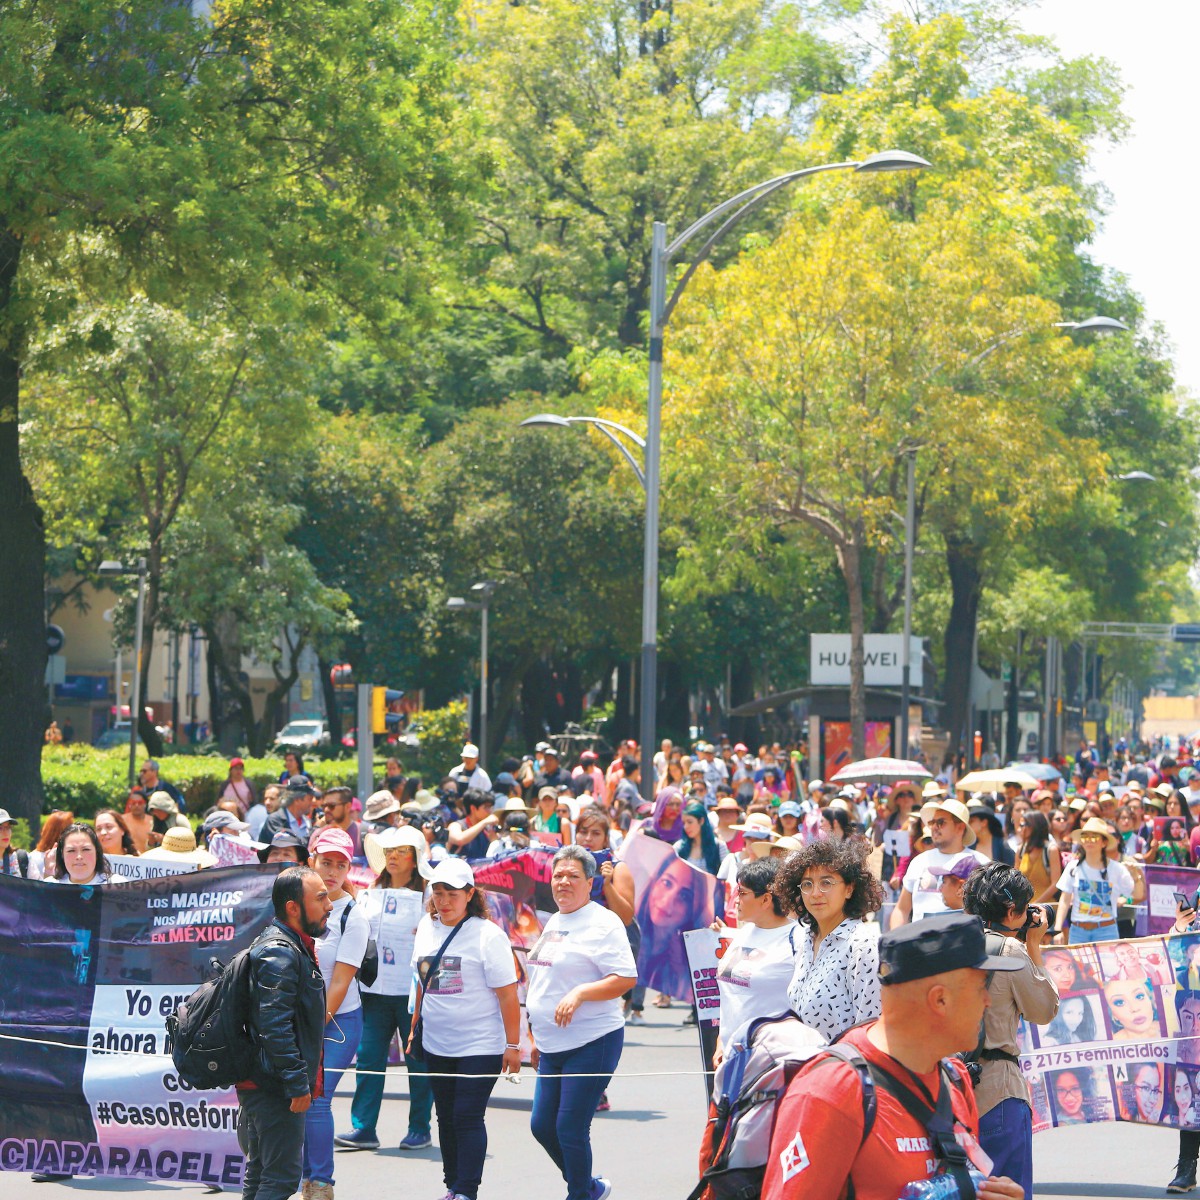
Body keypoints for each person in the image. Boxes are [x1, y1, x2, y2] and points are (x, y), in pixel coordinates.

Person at [762, 911, 1025, 1200]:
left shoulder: (956, 1079)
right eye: (980, 988)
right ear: (940, 999)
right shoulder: (831, 1093)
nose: (988, 1001)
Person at [526, 845, 638, 1200]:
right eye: (558, 875)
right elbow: (542, 982)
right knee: (543, 1127)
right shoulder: (555, 921)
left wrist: (581, 993)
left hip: (593, 1041)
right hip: (551, 1044)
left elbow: (625, 978)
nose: (563, 882)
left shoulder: (603, 922)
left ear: (590, 882)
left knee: (570, 1127)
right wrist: (533, 1033)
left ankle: (579, 1194)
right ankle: (589, 1186)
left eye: (573, 876)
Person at [408, 857, 521, 1200]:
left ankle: (467, 1190)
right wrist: (415, 1026)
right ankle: (453, 1184)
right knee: (444, 1116)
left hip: (480, 1044)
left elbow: (507, 995)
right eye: (438, 893)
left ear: (470, 894)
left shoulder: (489, 935)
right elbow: (421, 981)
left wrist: (513, 1046)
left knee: (467, 1116)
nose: (443, 901)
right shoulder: (427, 926)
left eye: (452, 894)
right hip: (437, 1042)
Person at [961, 862, 1060, 1200]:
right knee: (1007, 1190)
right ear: (1011, 909)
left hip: (955, 1089)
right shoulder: (1010, 950)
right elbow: (1043, 1010)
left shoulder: (955, 943)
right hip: (998, 1090)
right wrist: (1034, 944)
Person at [236, 866, 331, 1200]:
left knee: (262, 1175)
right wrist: (295, 1083)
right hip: (273, 1085)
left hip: (265, 1080)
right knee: (280, 1180)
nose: (329, 905)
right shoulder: (280, 951)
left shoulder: (289, 945)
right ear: (293, 907)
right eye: (321, 898)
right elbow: (273, 1026)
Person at [337, 826, 434, 1153]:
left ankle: (420, 1128)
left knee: (417, 1062)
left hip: (413, 993)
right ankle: (363, 1128)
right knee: (368, 1058)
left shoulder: (431, 893)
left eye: (401, 851)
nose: (393, 856)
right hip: (374, 990)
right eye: (389, 851)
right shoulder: (369, 891)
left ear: (416, 857)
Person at [300, 827, 368, 1199]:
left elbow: (341, 981)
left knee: (318, 1098)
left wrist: (316, 1022)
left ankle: (321, 1183)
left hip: (339, 1021)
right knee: (300, 1098)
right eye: (326, 862)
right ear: (312, 860)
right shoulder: (295, 902)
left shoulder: (354, 915)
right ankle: (304, 1179)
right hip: (299, 1021)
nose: (332, 871)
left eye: (340, 865)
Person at [775, 837, 882, 1042]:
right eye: (807, 884)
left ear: (849, 889)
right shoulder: (806, 939)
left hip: (845, 1071)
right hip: (806, 1068)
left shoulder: (862, 945)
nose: (815, 893)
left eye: (826, 882)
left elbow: (871, 1030)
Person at [712, 857, 797, 1062]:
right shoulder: (745, 932)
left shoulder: (799, 940)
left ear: (766, 900)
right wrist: (721, 1043)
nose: (736, 900)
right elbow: (733, 998)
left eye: (742, 893)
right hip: (732, 1056)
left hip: (774, 1059)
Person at [572, 807, 642, 1029]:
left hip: (607, 945)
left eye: (595, 833)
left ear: (605, 839)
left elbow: (626, 916)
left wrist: (608, 885)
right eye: (583, 832)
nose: (588, 838)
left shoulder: (618, 868)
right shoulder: (567, 865)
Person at [889, 797, 987, 927]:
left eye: (941, 822)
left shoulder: (981, 863)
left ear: (960, 827)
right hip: (919, 943)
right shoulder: (919, 861)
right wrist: (896, 941)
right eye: (932, 822)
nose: (934, 827)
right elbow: (901, 909)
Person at [1056, 817, 1135, 944]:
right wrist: (1058, 929)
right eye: (1085, 837)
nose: (1089, 841)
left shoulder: (1117, 869)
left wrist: (1136, 877)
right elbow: (1065, 900)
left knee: (1107, 964)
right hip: (1078, 930)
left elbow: (1132, 892)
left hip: (1106, 930)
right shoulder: (1073, 867)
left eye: (1094, 837)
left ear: (1104, 843)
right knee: (1078, 964)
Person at [1016, 810, 1061, 902]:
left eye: (1024, 825)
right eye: (1020, 825)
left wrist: (1036, 904)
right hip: (1024, 907)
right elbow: (1015, 880)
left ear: (1035, 826)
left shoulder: (1051, 850)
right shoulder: (1021, 849)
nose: (1020, 829)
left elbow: (1055, 884)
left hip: (1047, 906)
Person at [262, 777, 320, 844]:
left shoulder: (306, 821)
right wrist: (316, 829)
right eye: (310, 799)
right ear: (298, 800)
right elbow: (291, 847)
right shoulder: (275, 821)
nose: (313, 802)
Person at [676, 800, 728, 874]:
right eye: (684, 823)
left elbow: (725, 875)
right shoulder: (679, 847)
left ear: (701, 821)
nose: (686, 827)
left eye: (690, 822)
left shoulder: (719, 846)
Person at [449, 788, 501, 858]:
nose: (490, 811)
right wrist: (484, 822)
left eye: (490, 807)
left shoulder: (488, 829)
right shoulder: (456, 825)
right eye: (486, 807)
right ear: (473, 808)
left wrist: (494, 840)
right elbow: (459, 839)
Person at [0, 808, 30, 877]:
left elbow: (38, 887)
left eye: (8, 827)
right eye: (0, 828)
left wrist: (47, 872)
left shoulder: (22, 858)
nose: (6, 833)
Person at [122, 788, 154, 853]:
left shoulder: (153, 821)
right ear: (129, 805)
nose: (136, 805)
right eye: (133, 803)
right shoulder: (122, 820)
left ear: (145, 804)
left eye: (140, 803)